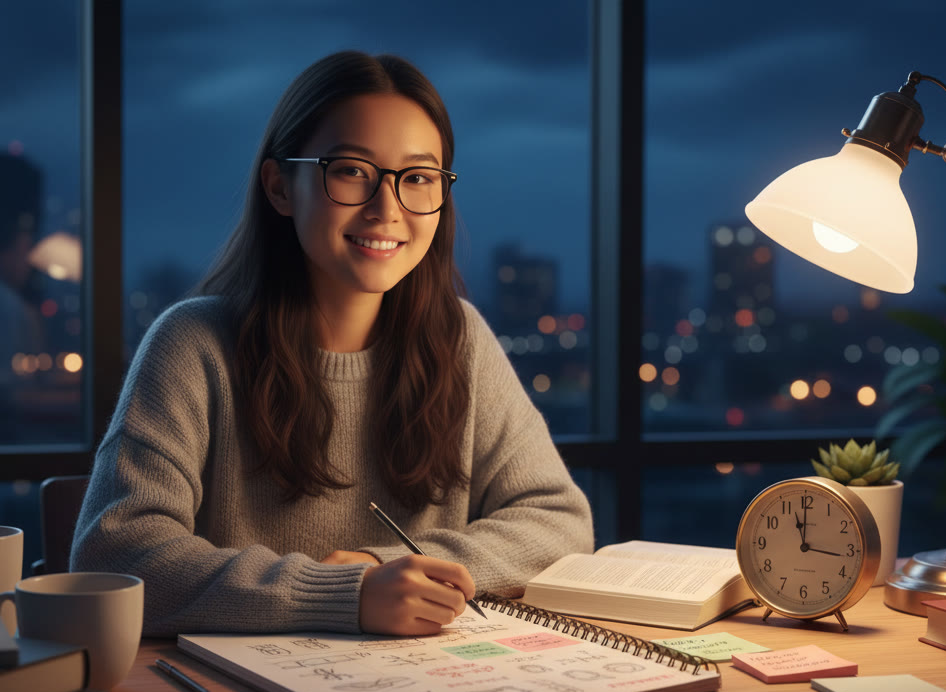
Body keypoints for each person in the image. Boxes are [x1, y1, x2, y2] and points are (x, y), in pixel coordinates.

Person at [70, 51, 593, 638]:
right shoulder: (195, 345)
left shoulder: (460, 338)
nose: (387, 208)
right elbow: (116, 558)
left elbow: (560, 520)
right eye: (351, 171)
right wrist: (343, 595)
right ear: (279, 186)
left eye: (418, 178)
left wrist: (386, 565)